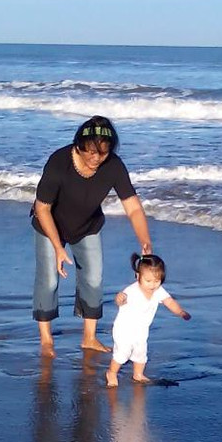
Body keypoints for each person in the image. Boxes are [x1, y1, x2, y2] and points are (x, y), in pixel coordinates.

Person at [31, 115, 154, 358]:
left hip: (87, 226)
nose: (96, 158)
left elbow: (133, 207)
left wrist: (145, 241)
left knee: (94, 279)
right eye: (90, 152)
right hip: (49, 225)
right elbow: (42, 208)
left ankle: (89, 337)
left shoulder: (114, 166)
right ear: (79, 145)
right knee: (49, 280)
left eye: (103, 153)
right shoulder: (59, 162)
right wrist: (58, 247)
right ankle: (46, 340)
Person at [106, 253, 190, 388]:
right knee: (123, 352)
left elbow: (169, 302)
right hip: (124, 329)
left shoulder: (158, 291)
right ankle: (111, 372)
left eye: (157, 281)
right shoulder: (131, 291)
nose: (152, 285)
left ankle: (138, 374)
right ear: (138, 276)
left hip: (141, 329)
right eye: (148, 281)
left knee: (141, 352)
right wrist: (119, 298)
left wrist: (180, 312)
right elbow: (120, 301)